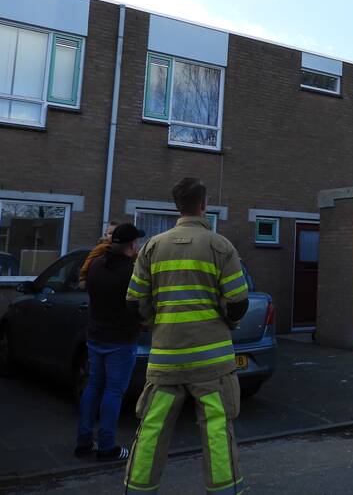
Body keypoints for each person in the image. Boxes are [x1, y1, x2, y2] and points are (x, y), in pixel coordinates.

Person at [124, 178, 249, 494]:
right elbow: (238, 302)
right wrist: (225, 320)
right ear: (203, 205)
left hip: (166, 360)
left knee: (152, 428)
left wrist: (155, 323)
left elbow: (134, 302)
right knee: (217, 429)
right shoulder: (220, 246)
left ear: (177, 206)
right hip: (212, 363)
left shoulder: (152, 247)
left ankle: (138, 489)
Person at [75, 222, 146, 461]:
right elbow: (138, 306)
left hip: (96, 336)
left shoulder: (96, 265)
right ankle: (107, 447)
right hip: (121, 340)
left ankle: (83, 442)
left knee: (93, 386)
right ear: (132, 244)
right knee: (113, 392)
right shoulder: (131, 272)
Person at [79, 220, 119, 289]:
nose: (113, 236)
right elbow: (88, 261)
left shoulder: (120, 248)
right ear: (105, 235)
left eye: (116, 233)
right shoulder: (102, 247)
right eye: (110, 233)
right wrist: (82, 278)